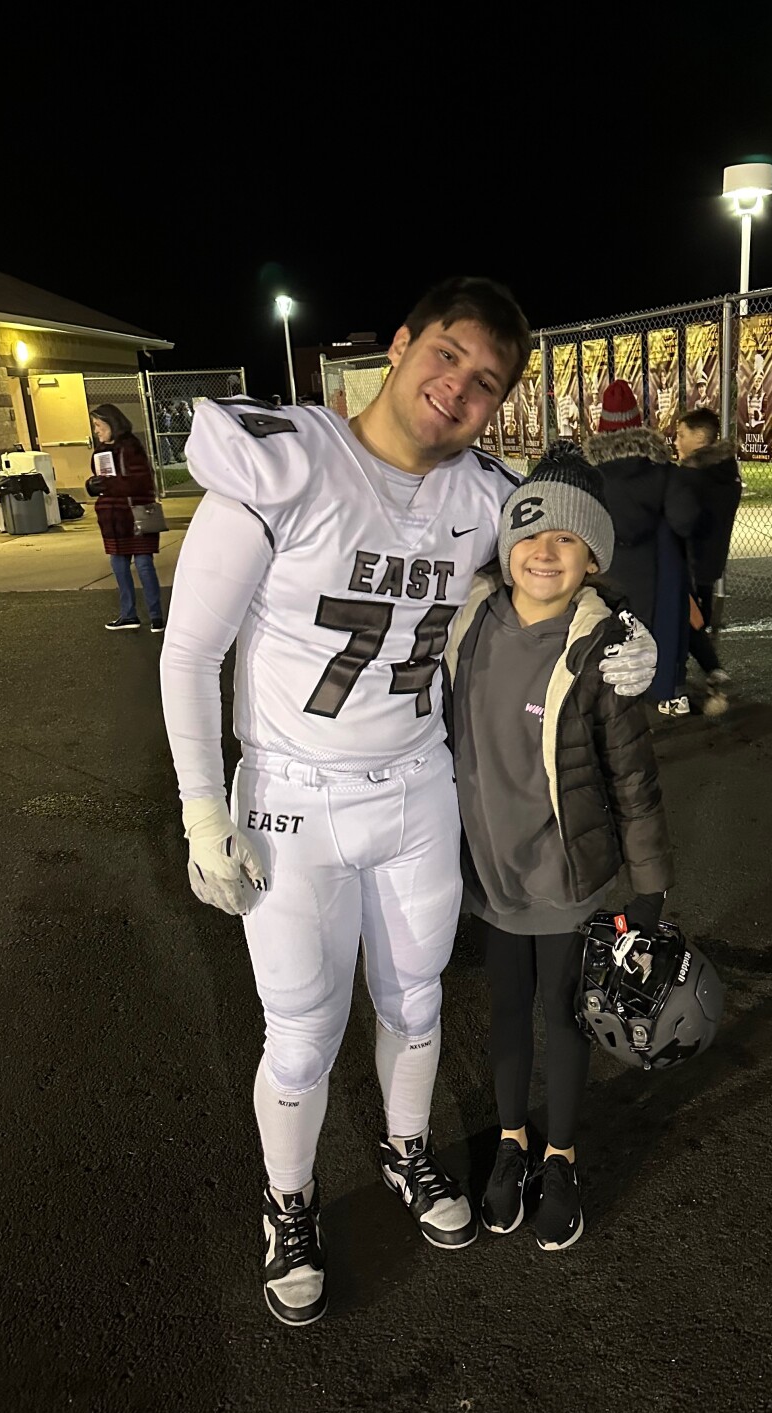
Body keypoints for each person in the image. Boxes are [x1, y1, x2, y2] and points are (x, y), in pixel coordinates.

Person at [158, 277, 658, 1327]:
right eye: (447, 355)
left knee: (418, 1001)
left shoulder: (484, 497)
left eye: (487, 382)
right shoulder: (288, 463)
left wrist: (622, 630)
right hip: (294, 793)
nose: (458, 389)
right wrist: (204, 810)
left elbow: (550, 573)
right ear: (399, 346)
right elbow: (191, 651)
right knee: (301, 1032)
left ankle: (404, 1149)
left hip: (417, 785)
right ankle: (288, 1203)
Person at [444, 442, 673, 1250]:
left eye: (568, 539)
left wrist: (649, 885)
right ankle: (512, 1141)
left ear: (593, 558)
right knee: (506, 1008)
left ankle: (562, 1155)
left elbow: (633, 777)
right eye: (531, 534)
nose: (545, 552)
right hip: (491, 867)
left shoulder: (600, 649)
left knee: (564, 1012)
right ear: (506, 543)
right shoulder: (468, 621)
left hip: (563, 872)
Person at [583, 379, 703, 719]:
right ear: (639, 427)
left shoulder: (590, 476)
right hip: (657, 572)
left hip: (605, 568)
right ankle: (668, 693)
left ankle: (602, 694)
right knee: (666, 625)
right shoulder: (664, 473)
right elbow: (685, 520)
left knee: (604, 626)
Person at [675, 406, 741, 716]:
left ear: (700, 437)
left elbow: (678, 519)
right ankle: (711, 671)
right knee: (696, 616)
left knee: (684, 619)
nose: (676, 441)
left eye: (681, 435)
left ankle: (702, 674)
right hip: (711, 561)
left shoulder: (691, 477)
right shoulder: (727, 472)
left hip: (687, 560)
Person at [86, 404, 163, 633]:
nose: (96, 431)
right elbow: (100, 478)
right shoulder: (101, 450)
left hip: (134, 515)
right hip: (113, 518)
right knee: (119, 564)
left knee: (143, 564)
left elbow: (141, 482)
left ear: (112, 424)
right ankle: (129, 614)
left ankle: (156, 616)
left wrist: (108, 484)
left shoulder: (130, 447)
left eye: (99, 425)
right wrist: (92, 485)